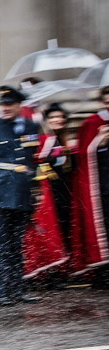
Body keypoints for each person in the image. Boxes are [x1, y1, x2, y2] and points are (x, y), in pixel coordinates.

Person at [0, 86, 41, 306]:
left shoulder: (31, 126)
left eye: (9, 104)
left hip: (22, 192)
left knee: (16, 244)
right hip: (0, 192)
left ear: (18, 106)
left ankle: (17, 289)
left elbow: (34, 160)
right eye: (3, 104)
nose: (5, 108)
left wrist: (35, 190)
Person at [23, 104, 75, 286]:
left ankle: (59, 271)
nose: (56, 120)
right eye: (52, 117)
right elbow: (34, 162)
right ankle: (45, 273)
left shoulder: (63, 141)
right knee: (46, 232)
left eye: (60, 116)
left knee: (60, 231)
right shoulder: (43, 140)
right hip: (46, 192)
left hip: (62, 193)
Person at [70, 85, 109, 287]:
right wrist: (99, 143)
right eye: (108, 101)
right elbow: (83, 154)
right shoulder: (92, 123)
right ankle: (103, 273)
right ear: (103, 102)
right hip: (101, 188)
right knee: (103, 229)